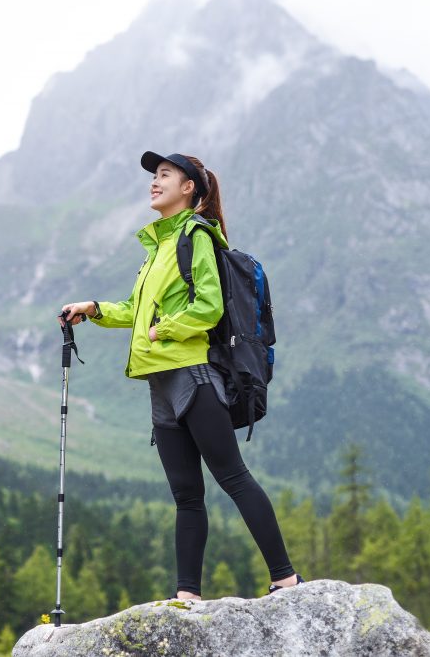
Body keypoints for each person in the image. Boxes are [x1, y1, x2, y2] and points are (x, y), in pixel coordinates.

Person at [59, 151, 303, 602]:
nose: (155, 182)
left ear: (189, 187)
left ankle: (286, 580)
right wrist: (92, 310)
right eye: (154, 176)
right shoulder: (158, 247)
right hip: (161, 386)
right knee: (187, 496)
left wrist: (164, 329)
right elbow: (135, 312)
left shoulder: (196, 236)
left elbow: (208, 306)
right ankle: (187, 595)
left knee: (232, 476)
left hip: (192, 376)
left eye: (164, 175)